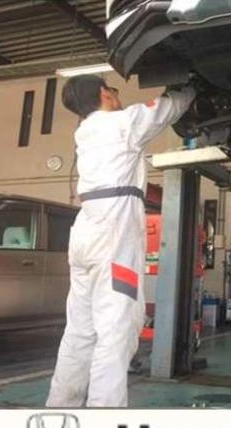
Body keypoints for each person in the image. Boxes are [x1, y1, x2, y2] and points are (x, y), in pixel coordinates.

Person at [46, 75, 196, 407]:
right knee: (117, 328)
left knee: (80, 330)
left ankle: (61, 407)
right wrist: (191, 87)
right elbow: (167, 108)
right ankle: (105, 413)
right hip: (114, 233)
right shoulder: (121, 123)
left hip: (86, 229)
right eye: (114, 91)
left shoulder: (85, 132)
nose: (118, 96)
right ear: (105, 94)